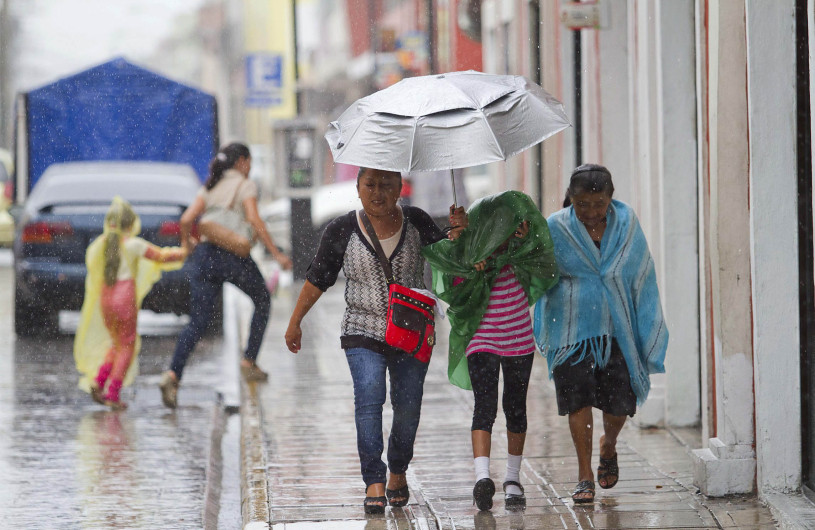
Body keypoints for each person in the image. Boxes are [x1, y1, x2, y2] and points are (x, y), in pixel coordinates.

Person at [284, 167, 462, 514]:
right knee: (369, 397)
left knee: (408, 407)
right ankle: (374, 481)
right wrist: (295, 322)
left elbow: (448, 261)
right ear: (358, 188)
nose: (377, 192)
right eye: (370, 185)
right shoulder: (341, 229)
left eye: (386, 185)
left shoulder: (417, 221)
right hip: (361, 330)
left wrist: (457, 235)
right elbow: (318, 278)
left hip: (411, 333)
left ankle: (397, 468)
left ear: (400, 188)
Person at [532, 164, 669, 504]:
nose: (591, 213)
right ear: (572, 200)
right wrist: (526, 244)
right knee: (577, 401)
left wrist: (644, 324)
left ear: (610, 197)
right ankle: (584, 474)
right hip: (570, 331)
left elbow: (642, 273)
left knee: (618, 403)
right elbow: (540, 273)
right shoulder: (556, 227)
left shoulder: (627, 225)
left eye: (598, 204)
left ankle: (609, 444)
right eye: (583, 205)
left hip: (616, 327)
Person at [422, 191, 559, 511]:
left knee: (516, 408)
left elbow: (544, 258)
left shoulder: (520, 250)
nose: (497, 234)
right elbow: (453, 285)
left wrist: (527, 236)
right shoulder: (468, 252)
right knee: (484, 406)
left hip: (519, 342)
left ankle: (512, 479)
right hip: (482, 339)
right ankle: (482, 478)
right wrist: (460, 243)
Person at [159, 142, 292, 409]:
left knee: (197, 322)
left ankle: (173, 374)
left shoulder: (210, 186)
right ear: (242, 161)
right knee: (263, 300)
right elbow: (254, 219)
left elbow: (187, 220)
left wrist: (188, 246)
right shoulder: (245, 184)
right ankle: (249, 360)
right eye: (249, 162)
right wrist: (276, 253)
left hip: (205, 255)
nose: (250, 167)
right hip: (233, 257)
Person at [75, 196, 187, 410]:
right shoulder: (134, 245)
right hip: (125, 298)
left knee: (115, 344)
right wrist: (185, 252)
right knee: (127, 345)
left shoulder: (103, 244)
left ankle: (99, 382)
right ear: (130, 224)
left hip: (106, 298)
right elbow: (161, 256)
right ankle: (113, 393)